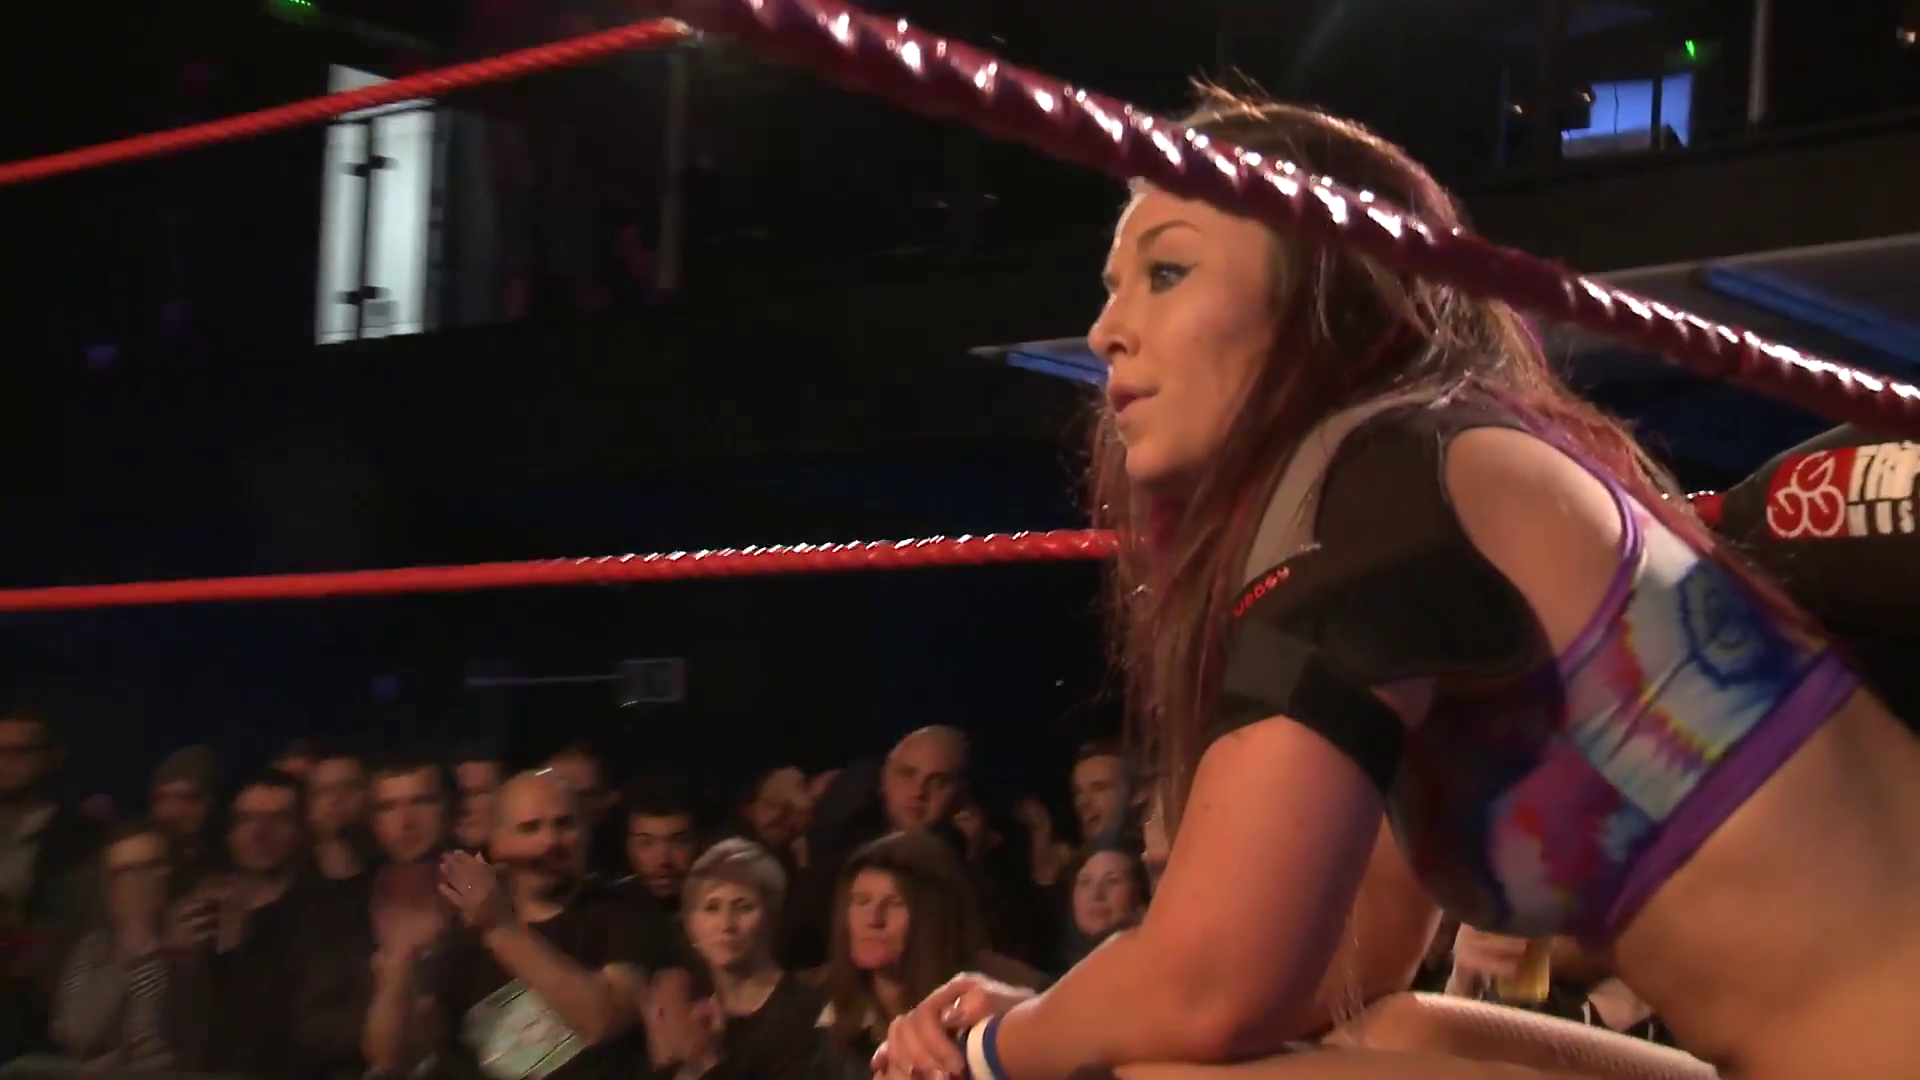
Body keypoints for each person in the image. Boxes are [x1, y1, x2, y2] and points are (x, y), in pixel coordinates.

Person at [874, 87, 1920, 1079]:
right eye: (1113, 285)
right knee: (1393, 1027)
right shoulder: (1422, 474)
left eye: (1168, 272)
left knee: (1150, 1070)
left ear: (1321, 292)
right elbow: (1350, 957)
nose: (1107, 329)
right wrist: (1044, 1013)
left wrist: (995, 1054)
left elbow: (1214, 988)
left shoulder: (1380, 477)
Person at [652, 837, 827, 1079]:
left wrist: (707, 1061)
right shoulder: (686, 1011)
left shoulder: (806, 1012)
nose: (727, 924)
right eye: (712, 908)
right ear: (690, 925)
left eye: (744, 907)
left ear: (772, 918)